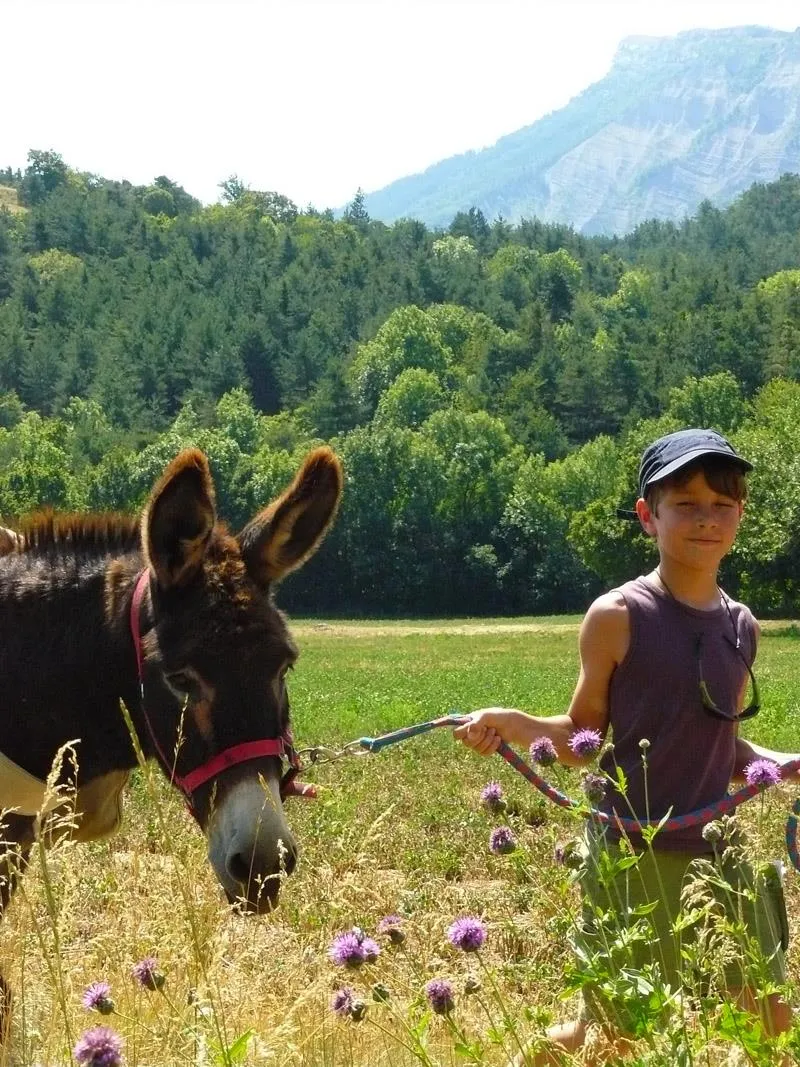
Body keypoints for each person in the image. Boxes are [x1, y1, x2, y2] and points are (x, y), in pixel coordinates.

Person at [455, 428, 799, 1065]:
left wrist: (773, 763)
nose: (706, 519)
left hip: (721, 853)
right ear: (649, 515)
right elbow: (582, 740)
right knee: (615, 1040)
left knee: (772, 1021)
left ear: (741, 515)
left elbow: (715, 737)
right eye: (686, 503)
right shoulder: (618, 615)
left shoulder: (740, 624)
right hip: (632, 855)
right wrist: (513, 723)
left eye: (723, 504)